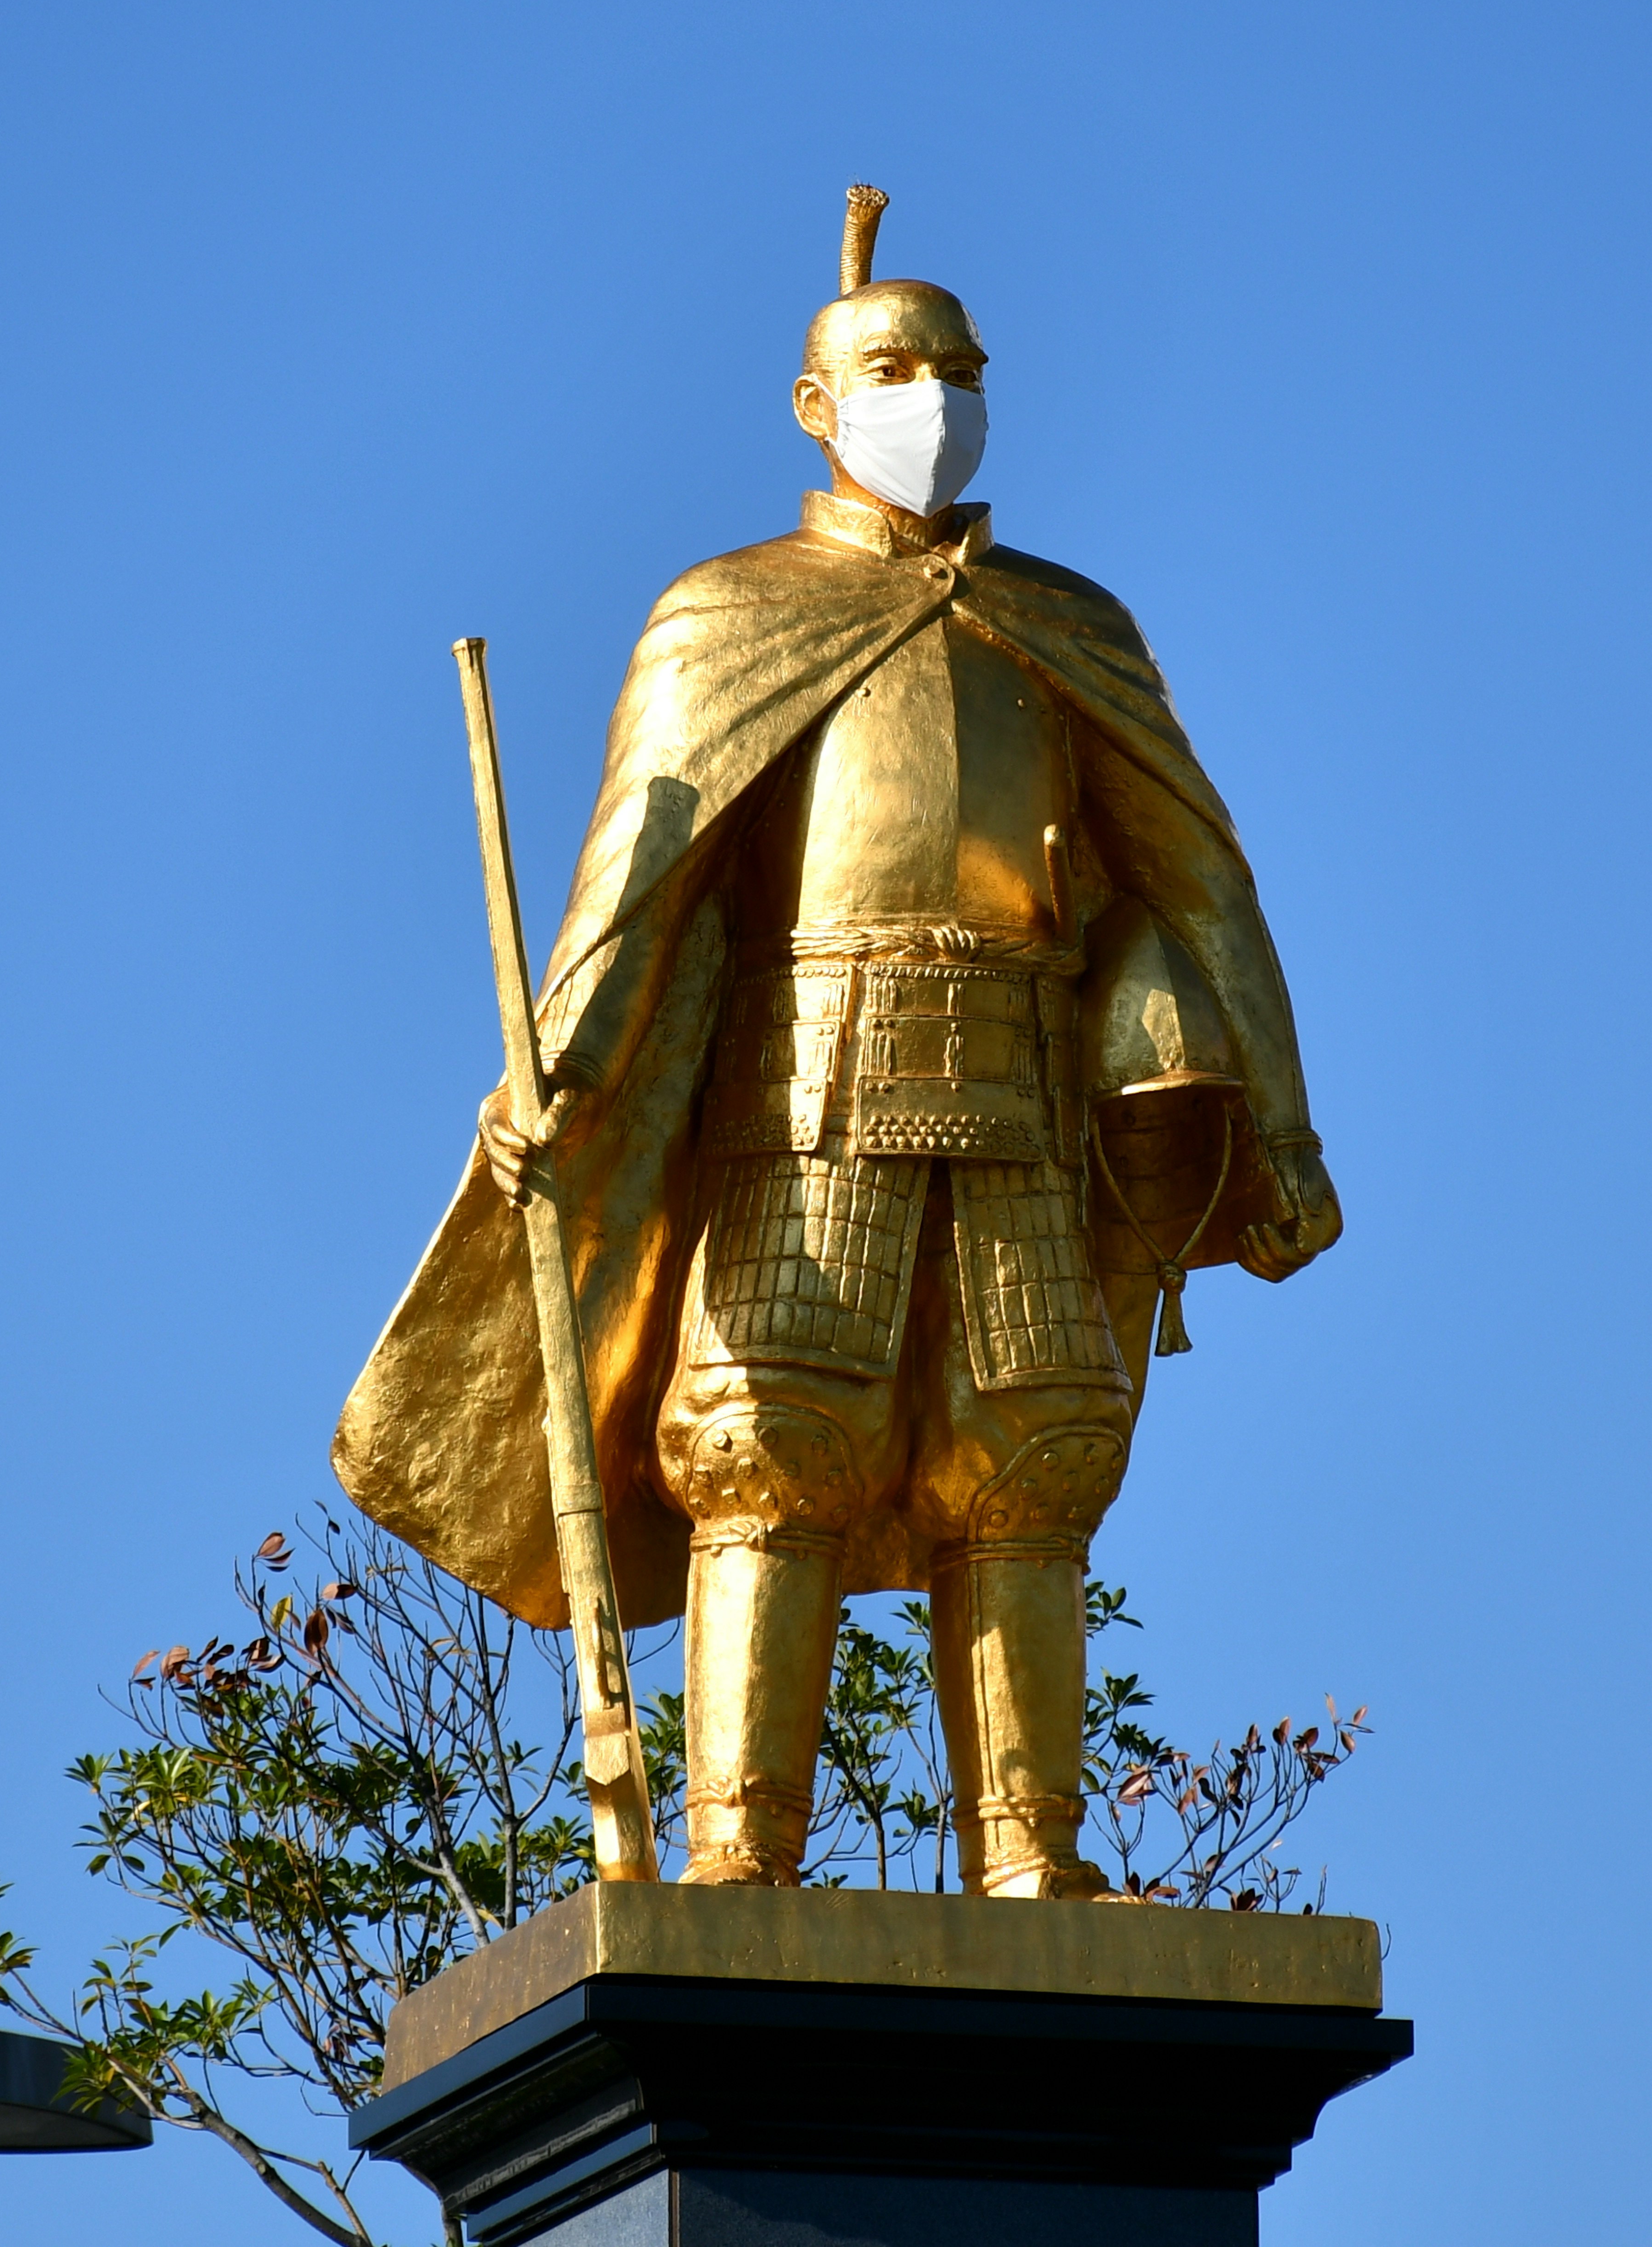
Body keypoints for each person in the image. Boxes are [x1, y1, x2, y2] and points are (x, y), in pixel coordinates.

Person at [333, 187, 1340, 1898]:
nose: (931, 396)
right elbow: (637, 884)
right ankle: (739, 1855)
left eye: (958, 368)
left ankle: (1032, 1860)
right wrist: (554, 1069)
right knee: (767, 1446)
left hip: (1024, 1088)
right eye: (893, 365)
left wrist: (1288, 1133)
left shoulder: (1071, 625)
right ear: (817, 402)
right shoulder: (726, 611)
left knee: (1031, 1460)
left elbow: (1201, 874)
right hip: (803, 1094)